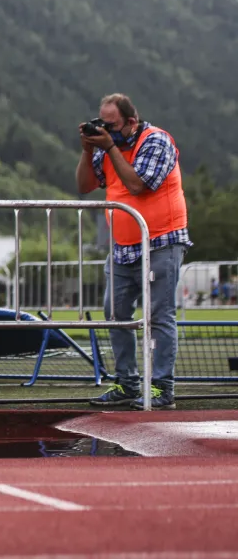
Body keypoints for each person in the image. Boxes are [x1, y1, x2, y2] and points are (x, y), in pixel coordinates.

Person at [77, 93, 191, 410]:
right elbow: (85, 185)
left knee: (157, 317)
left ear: (131, 121)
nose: (106, 131)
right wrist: (88, 151)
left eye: (111, 126)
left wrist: (110, 148)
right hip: (122, 246)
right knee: (115, 314)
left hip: (161, 242)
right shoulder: (105, 149)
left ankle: (160, 387)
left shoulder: (156, 141)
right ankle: (126, 383)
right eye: (102, 124)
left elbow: (138, 184)